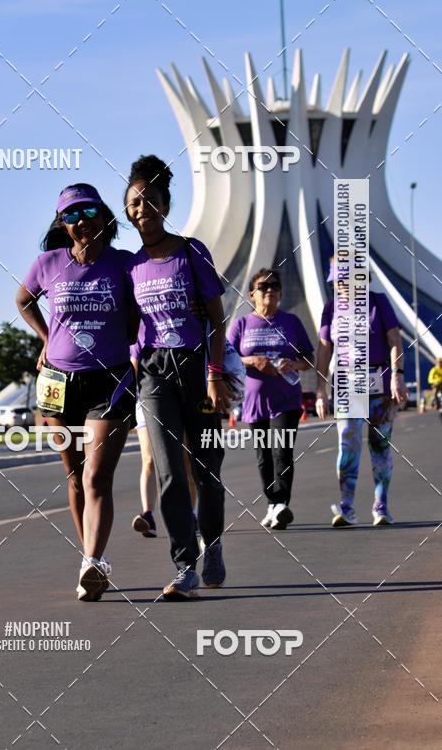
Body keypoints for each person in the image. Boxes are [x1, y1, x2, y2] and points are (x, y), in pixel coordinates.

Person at [15, 184, 137, 601]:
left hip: (112, 381)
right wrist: (46, 338)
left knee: (96, 475)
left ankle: (93, 563)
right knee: (74, 476)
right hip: (56, 384)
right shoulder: (47, 264)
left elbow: (149, 307)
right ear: (63, 225)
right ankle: (89, 558)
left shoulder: (125, 264)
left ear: (104, 215)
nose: (80, 221)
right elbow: (23, 301)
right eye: (70, 215)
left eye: (87, 211)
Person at [125, 155, 230, 601]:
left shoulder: (191, 251)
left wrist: (215, 374)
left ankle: (214, 543)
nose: (141, 208)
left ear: (166, 204)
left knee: (207, 470)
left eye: (149, 200)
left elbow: (217, 319)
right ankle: (184, 565)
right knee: (168, 471)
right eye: (133, 203)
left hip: (195, 368)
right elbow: (129, 326)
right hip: (152, 374)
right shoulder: (129, 267)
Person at [315, 262, 408, 527]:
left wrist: (397, 376)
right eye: (338, 282)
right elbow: (324, 351)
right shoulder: (331, 308)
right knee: (347, 443)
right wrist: (321, 390)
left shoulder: (378, 302)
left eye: (348, 280)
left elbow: (395, 341)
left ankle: (381, 505)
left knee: (380, 445)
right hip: (346, 382)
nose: (342, 286)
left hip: (379, 381)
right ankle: (346, 506)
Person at [228, 268, 314, 530]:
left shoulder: (291, 322)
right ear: (252, 294)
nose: (270, 290)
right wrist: (251, 360)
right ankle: (271, 502)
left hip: (286, 399)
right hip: (254, 401)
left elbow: (309, 359)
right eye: (263, 286)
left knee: (282, 452)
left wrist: (294, 364)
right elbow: (227, 357)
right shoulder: (241, 324)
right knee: (264, 456)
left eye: (275, 286)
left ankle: (281, 505)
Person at [130, 337, 198, 539]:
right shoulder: (140, 330)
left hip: (179, 397)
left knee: (185, 461)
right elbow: (134, 366)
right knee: (149, 460)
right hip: (147, 399)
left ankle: (191, 514)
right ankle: (148, 515)